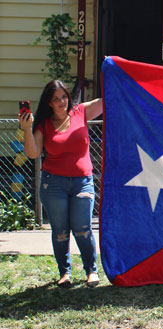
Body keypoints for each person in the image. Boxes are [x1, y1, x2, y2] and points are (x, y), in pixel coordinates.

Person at [19, 80, 103, 287]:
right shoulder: (44, 125)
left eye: (64, 96)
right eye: (55, 99)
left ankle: (91, 270)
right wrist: (27, 129)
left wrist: (115, 71)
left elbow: (106, 101)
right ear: (49, 103)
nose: (61, 102)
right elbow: (32, 153)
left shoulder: (81, 112)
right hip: (53, 184)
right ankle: (64, 273)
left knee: (83, 228)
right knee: (60, 231)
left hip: (83, 182)